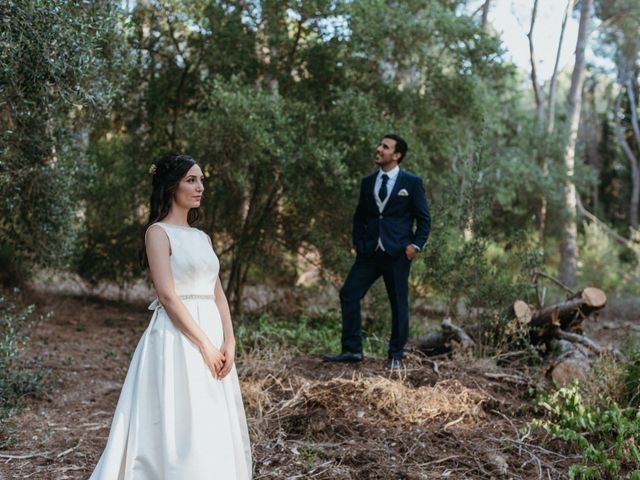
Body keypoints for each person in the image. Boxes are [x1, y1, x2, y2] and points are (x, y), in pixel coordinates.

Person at [90, 155, 252, 479]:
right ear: (171, 185)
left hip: (212, 332)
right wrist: (204, 344)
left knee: (210, 417)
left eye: (202, 180)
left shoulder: (203, 237)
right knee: (180, 419)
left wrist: (229, 341)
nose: (200, 187)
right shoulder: (158, 233)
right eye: (191, 180)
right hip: (178, 337)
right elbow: (166, 295)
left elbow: (218, 293)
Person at [323, 134, 431, 370]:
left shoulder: (411, 183)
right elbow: (360, 217)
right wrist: (358, 244)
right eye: (380, 145)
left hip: (398, 254)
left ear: (397, 155)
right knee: (349, 293)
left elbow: (424, 219)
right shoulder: (368, 182)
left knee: (398, 304)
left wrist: (415, 246)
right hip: (369, 254)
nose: (378, 149)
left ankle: (395, 356)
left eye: (385, 147)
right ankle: (351, 350)